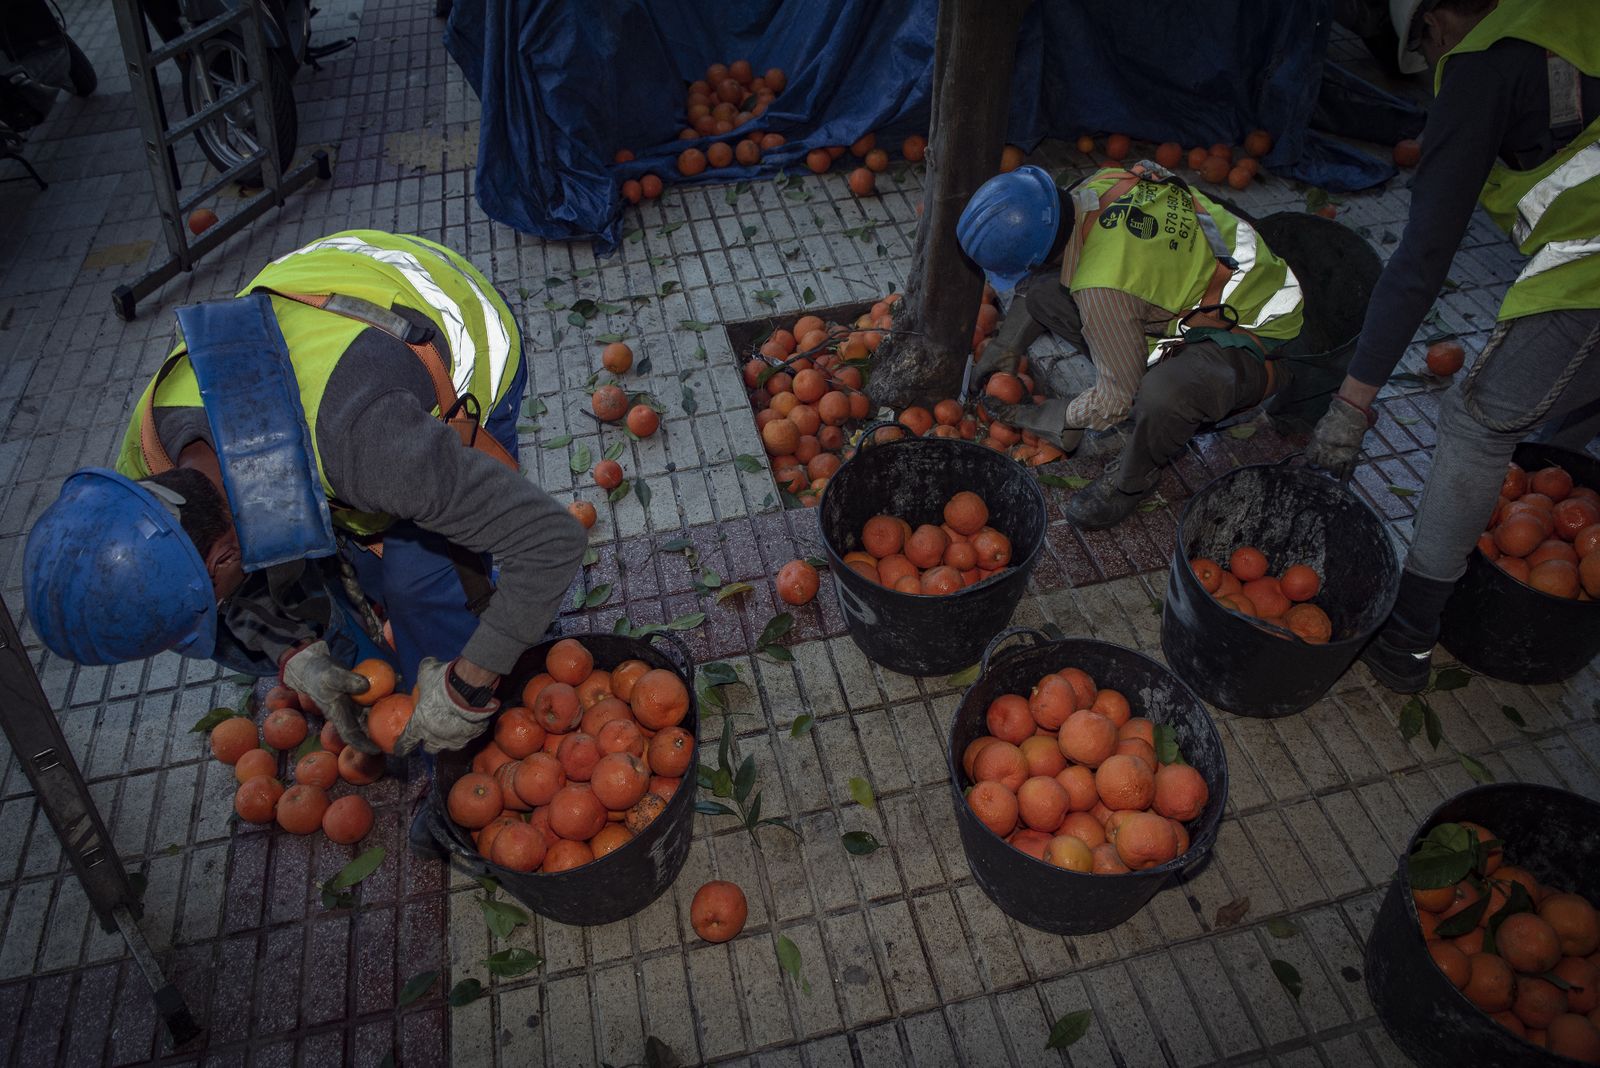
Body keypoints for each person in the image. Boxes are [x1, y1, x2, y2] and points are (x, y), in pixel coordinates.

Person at [24, 230, 588, 754]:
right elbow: (217, 566)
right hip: (326, 322)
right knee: (354, 565)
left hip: (446, 318)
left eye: (213, 594)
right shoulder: (144, 463)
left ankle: (472, 740)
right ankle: (400, 668)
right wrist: (290, 650)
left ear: (223, 556)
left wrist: (470, 681)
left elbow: (551, 541)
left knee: (423, 582)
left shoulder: (367, 446)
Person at [1307, 0, 1600, 692]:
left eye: (1428, 44)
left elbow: (1421, 258)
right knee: (1567, 411)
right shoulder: (1569, 14)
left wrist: (1352, 405)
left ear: (1439, 17)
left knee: (1476, 424)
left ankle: (1408, 637)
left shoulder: (1481, 66)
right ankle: (1550, 559)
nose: (1435, 63)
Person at [957, 161, 1305, 528]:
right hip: (1218, 284)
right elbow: (1045, 284)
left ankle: (1132, 480)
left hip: (1265, 334)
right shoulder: (1101, 184)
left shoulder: (1103, 288)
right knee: (1047, 291)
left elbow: (1113, 403)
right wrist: (1005, 346)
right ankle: (1137, 363)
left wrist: (1045, 416)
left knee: (1161, 395)